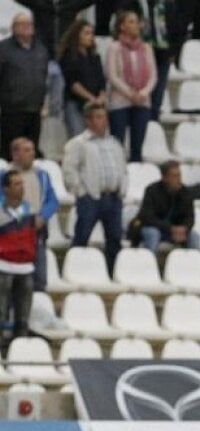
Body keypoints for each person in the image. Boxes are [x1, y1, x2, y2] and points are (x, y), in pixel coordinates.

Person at [62, 103, 126, 274]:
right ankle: (74, 271)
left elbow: (122, 168)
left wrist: (122, 189)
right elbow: (69, 170)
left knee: (114, 240)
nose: (102, 121)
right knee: (82, 237)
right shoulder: (78, 143)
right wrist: (82, 192)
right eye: (97, 117)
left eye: (104, 117)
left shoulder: (114, 143)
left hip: (113, 197)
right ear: (88, 120)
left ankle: (112, 273)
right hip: (91, 198)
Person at [104, 10, 155, 163]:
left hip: (142, 101)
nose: (136, 25)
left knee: (137, 146)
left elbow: (153, 75)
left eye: (137, 21)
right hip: (120, 101)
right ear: (122, 26)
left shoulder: (146, 48)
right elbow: (112, 75)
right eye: (131, 21)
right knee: (117, 145)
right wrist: (130, 93)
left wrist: (144, 92)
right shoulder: (114, 48)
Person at [9, 137, 58, 293]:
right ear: (16, 154)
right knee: (13, 278)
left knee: (39, 279)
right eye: (27, 150)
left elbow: (52, 200)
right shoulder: (5, 176)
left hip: (36, 233)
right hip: (13, 233)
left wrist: (43, 216)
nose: (33, 153)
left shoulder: (42, 175)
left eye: (32, 150)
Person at [0, 12, 50, 157]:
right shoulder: (3, 49)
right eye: (23, 24)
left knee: (31, 148)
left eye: (30, 24)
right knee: (11, 150)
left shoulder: (41, 49)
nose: (28, 27)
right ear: (14, 28)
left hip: (35, 108)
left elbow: (44, 76)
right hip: (12, 110)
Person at [0, 170, 37, 341]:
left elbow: (37, 239)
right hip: (4, 266)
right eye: (16, 184)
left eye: (21, 183)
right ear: (5, 189)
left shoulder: (30, 213)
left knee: (23, 317)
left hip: (26, 268)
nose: (20, 187)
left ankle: (20, 347)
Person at [133, 160, 198, 253]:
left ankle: (192, 266)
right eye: (174, 176)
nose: (179, 179)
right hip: (155, 228)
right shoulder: (152, 190)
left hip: (175, 232)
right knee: (153, 234)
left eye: (179, 175)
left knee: (194, 236)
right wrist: (170, 228)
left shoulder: (185, 192)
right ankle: (150, 265)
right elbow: (146, 217)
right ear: (165, 178)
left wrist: (184, 228)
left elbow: (190, 217)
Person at [57, 19, 105, 140]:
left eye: (91, 33)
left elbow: (101, 80)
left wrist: (101, 97)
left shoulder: (95, 57)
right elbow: (72, 83)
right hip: (75, 103)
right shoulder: (68, 56)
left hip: (94, 104)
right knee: (78, 137)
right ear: (76, 35)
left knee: (95, 138)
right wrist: (91, 98)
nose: (90, 37)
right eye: (86, 33)